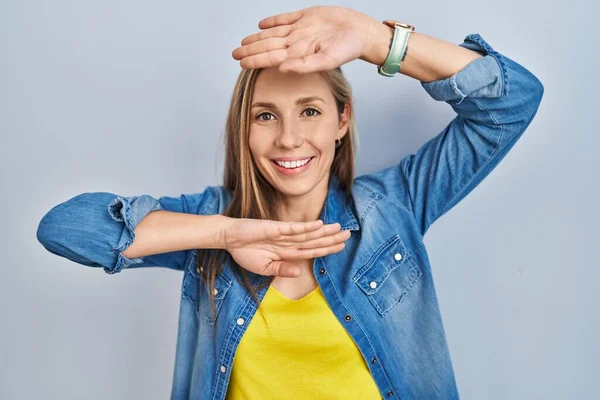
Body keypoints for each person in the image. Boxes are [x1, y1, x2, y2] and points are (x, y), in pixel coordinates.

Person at [36, 5, 544, 400]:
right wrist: (224, 233)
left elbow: (513, 99)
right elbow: (65, 229)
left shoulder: (395, 206)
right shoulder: (212, 220)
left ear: (342, 121)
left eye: (309, 110)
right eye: (265, 116)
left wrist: (374, 40)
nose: (289, 139)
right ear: (245, 128)